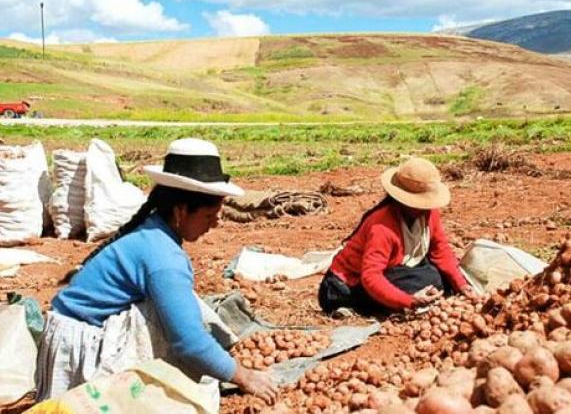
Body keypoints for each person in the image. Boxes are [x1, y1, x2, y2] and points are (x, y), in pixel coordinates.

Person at [35, 138, 277, 404]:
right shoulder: (164, 257)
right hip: (81, 350)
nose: (215, 223)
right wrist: (243, 376)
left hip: (64, 335)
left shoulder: (153, 231)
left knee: (181, 303)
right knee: (177, 321)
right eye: (209, 216)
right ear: (181, 210)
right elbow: (190, 341)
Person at [318, 157, 477, 317]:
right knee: (424, 281)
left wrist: (462, 286)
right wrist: (409, 301)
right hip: (346, 286)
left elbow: (440, 250)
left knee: (439, 278)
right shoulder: (382, 226)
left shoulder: (429, 214)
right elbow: (371, 276)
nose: (426, 206)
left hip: (396, 270)